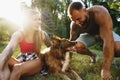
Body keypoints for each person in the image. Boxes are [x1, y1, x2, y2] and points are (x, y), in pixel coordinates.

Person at [67, 1, 120, 80]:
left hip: (106, 33)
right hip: (91, 35)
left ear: (85, 10)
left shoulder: (100, 13)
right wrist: (68, 60)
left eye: (78, 19)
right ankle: (93, 56)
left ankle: (111, 61)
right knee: (76, 46)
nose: (77, 23)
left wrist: (105, 69)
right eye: (74, 20)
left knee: (117, 48)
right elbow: (71, 42)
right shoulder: (74, 24)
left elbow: (108, 40)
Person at [0, 5, 51, 80]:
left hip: (36, 61)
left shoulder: (42, 34)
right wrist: (0, 67)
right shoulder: (19, 34)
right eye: (35, 19)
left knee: (17, 68)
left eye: (39, 19)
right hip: (22, 60)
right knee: (1, 57)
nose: (39, 22)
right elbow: (9, 49)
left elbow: (52, 48)